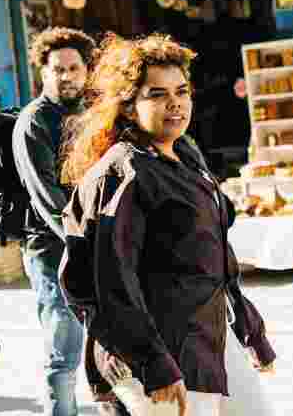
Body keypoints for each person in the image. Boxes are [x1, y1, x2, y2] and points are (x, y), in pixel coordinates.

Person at [59, 35, 276, 416]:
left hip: (207, 335)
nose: (174, 102)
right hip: (158, 350)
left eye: (181, 90)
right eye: (157, 94)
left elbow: (215, 253)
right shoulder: (125, 172)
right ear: (128, 107)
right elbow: (110, 282)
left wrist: (249, 327)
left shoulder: (185, 155)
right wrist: (154, 364)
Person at [11, 27, 97, 416]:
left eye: (73, 68)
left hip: (93, 246)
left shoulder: (91, 115)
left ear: (85, 71)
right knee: (64, 353)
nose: (66, 76)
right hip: (52, 251)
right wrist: (82, 245)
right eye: (57, 69)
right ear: (42, 72)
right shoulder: (33, 122)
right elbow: (46, 198)